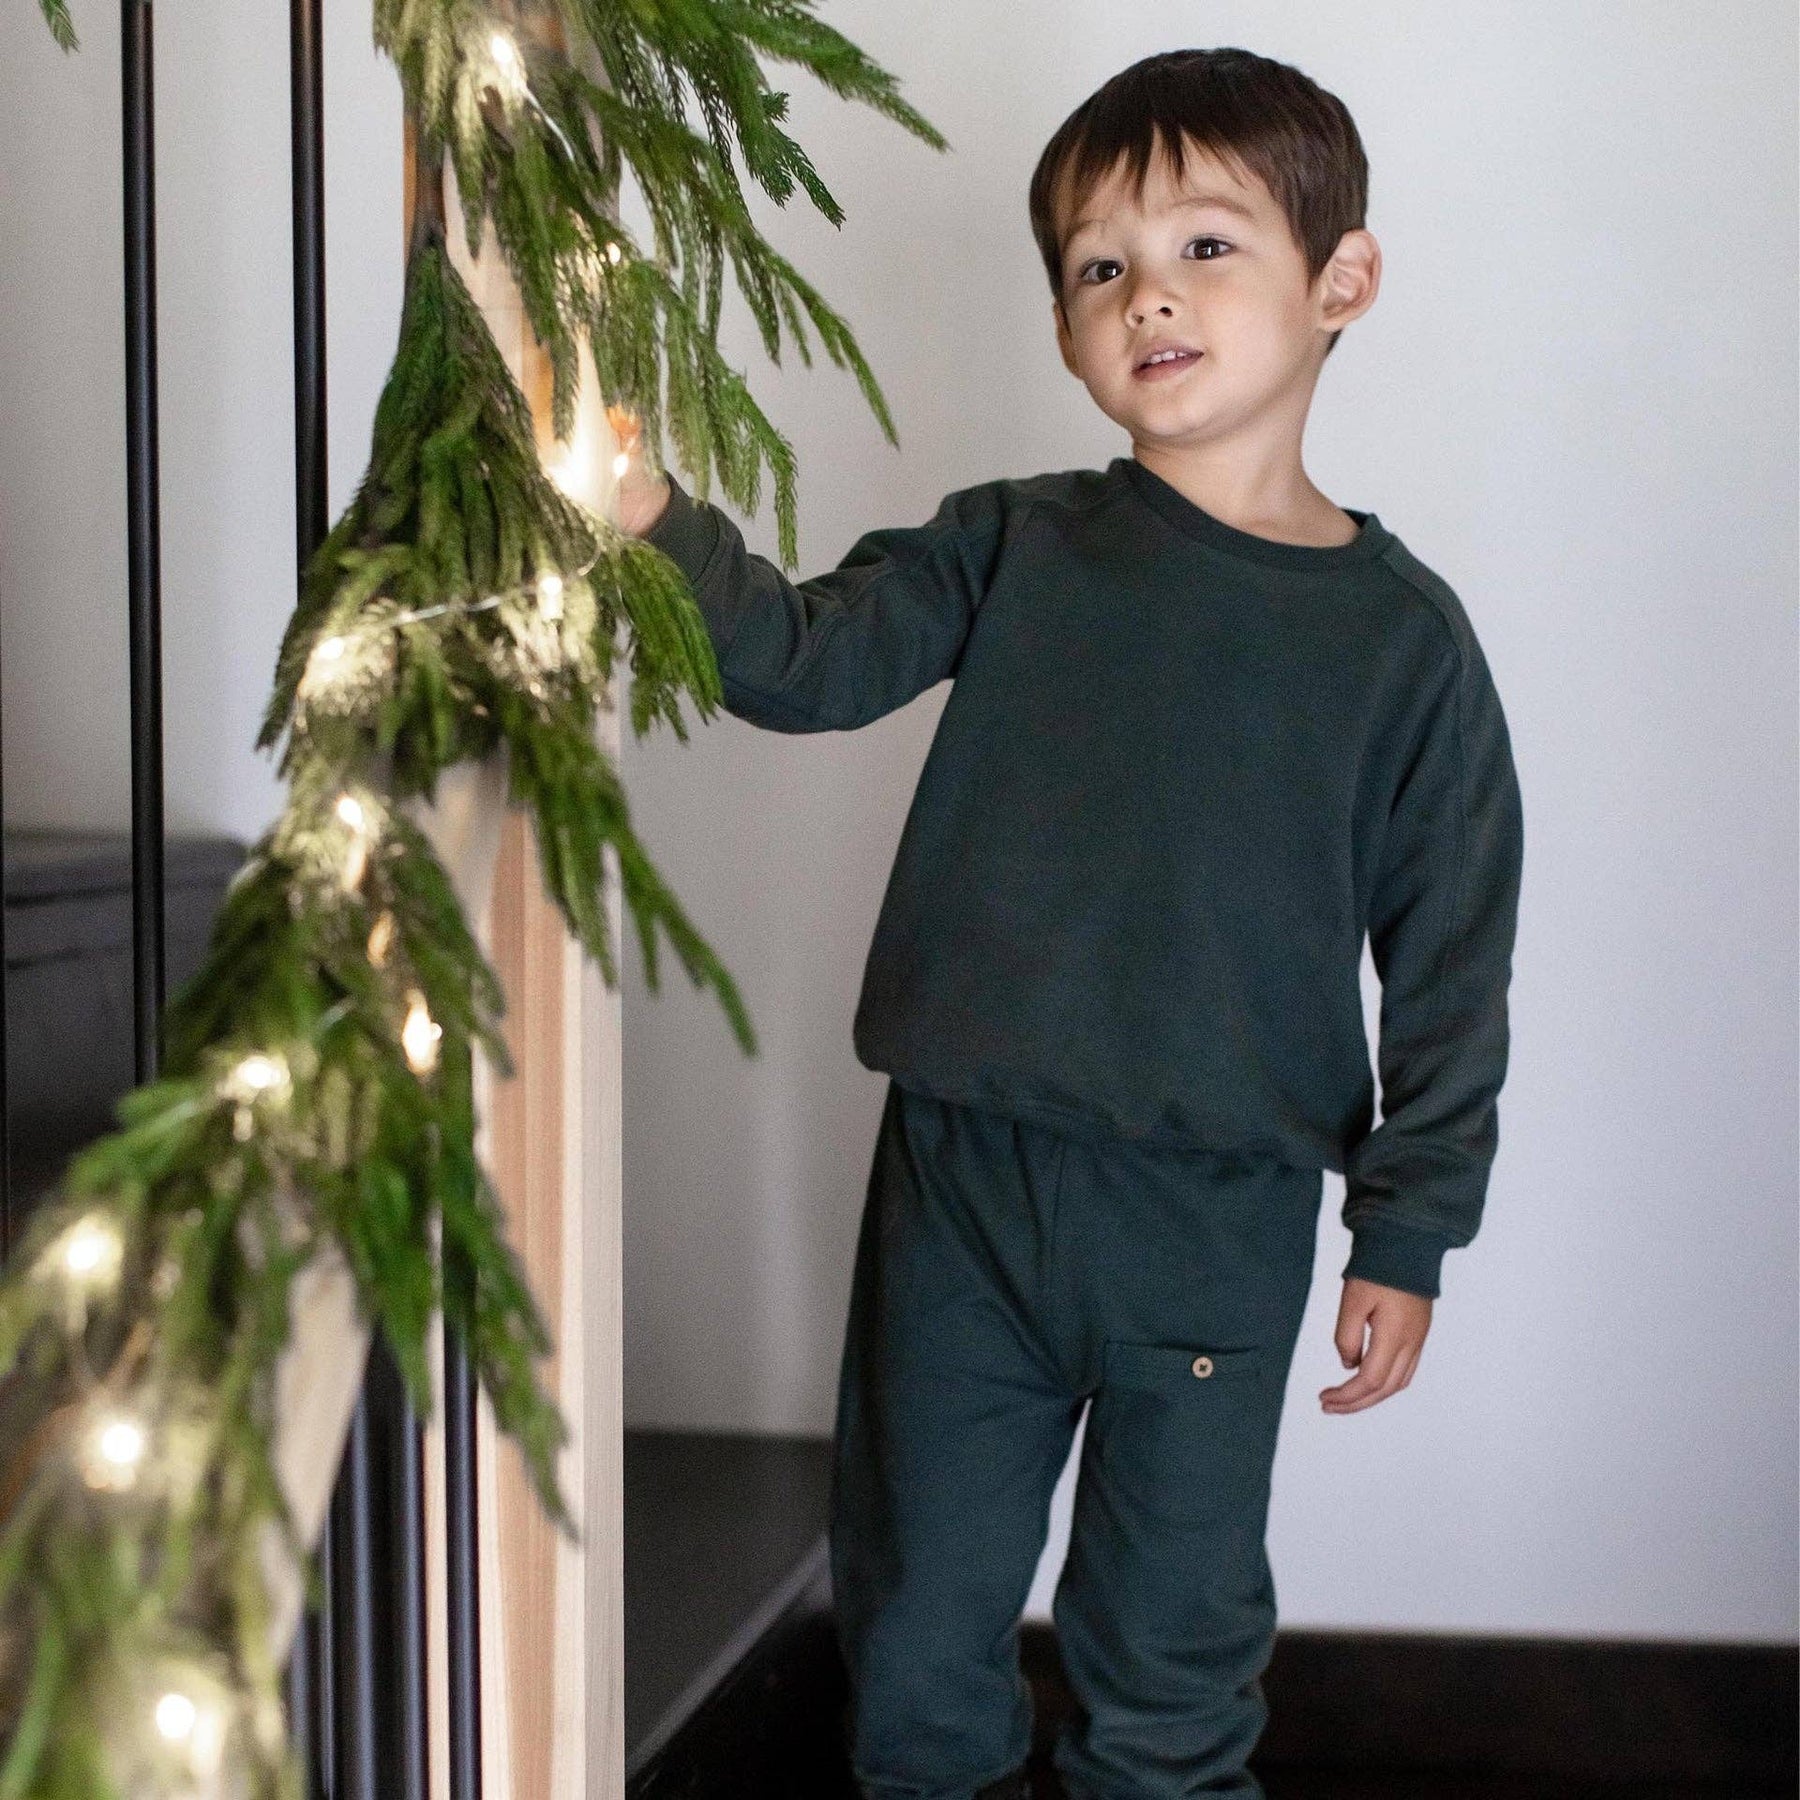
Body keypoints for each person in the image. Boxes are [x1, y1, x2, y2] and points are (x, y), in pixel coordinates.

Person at [615, 44, 1524, 1800]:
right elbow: (802, 661)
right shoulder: (1013, 544)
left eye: (1205, 248)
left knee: (1169, 1654)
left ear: (1341, 281)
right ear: (1062, 326)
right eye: (1101, 266)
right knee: (915, 1629)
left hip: (1216, 1212)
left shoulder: (1403, 648)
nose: (1146, 296)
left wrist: (1409, 1231)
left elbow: (1452, 965)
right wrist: (648, 513)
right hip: (963, 1186)